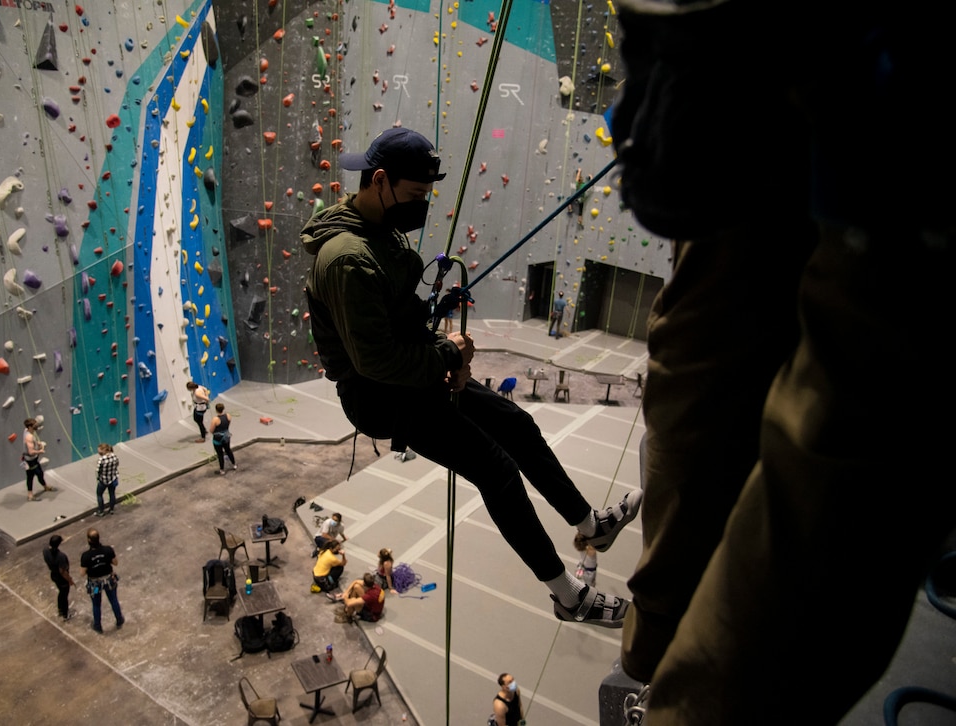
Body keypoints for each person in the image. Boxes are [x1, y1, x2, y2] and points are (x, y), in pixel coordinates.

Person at [609, 2, 955, 723]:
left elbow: (846, 455)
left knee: (855, 436)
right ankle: (657, 657)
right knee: (699, 368)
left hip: (896, 110)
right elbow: (696, 373)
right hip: (779, 54)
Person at [302, 126, 642, 627]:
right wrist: (445, 356)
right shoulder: (347, 259)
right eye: (416, 194)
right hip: (381, 395)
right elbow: (374, 360)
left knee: (517, 424)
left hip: (408, 374)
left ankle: (591, 526)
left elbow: (394, 316)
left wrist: (444, 350)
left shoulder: (376, 231)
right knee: (497, 471)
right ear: (379, 180)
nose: (421, 205)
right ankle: (567, 594)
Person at [79, 528, 124, 633]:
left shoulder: (85, 556)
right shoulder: (108, 550)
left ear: (89, 540)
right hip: (108, 580)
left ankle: (98, 625)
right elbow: (115, 563)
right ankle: (119, 619)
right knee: (113, 600)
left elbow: (82, 573)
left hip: (95, 585)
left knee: (96, 603)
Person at [42, 534, 74, 620]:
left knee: (61, 593)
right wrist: (70, 580)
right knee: (64, 595)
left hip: (54, 575)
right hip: (61, 579)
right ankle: (65, 614)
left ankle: (60, 609)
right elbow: (62, 571)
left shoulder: (45, 551)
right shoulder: (61, 557)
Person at [22, 418, 54, 501]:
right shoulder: (29, 437)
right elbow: (31, 451)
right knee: (36, 474)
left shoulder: (26, 431)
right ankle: (31, 495)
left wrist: (37, 443)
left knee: (33, 475)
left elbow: (31, 444)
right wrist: (40, 451)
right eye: (34, 425)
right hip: (31, 461)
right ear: (30, 427)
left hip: (30, 460)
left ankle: (42, 488)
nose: (36, 426)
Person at [208, 402, 237, 474]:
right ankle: (234, 465)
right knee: (228, 450)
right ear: (223, 409)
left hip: (218, 439)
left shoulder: (215, 419)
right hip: (226, 436)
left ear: (216, 410)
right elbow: (227, 425)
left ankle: (222, 470)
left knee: (220, 454)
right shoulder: (228, 416)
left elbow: (211, 430)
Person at [95, 443, 119, 516]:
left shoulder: (101, 459)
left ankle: (101, 511)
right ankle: (111, 509)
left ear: (103, 450)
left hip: (104, 480)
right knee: (112, 494)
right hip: (113, 478)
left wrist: (98, 478)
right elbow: (117, 464)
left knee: (99, 494)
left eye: (99, 451)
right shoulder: (114, 456)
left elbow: (98, 470)